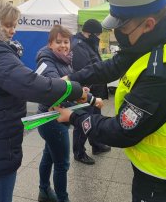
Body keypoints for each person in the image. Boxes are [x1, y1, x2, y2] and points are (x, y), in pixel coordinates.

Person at [55, 0, 166, 201]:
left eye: (122, 26)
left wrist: (74, 117)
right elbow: (113, 66)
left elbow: (122, 131)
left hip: (163, 171)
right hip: (154, 156)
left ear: (149, 23)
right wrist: (71, 79)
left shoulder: (164, 74)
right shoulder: (156, 37)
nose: (117, 34)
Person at [0, 0, 87, 202]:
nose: (13, 30)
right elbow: (31, 84)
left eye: (14, 25)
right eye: (8, 25)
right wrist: (74, 89)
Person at [36, 25, 103, 202]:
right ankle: (62, 199)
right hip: (52, 119)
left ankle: (43, 191)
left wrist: (80, 90)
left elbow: (69, 86)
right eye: (58, 42)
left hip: (56, 118)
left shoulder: (64, 59)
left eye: (66, 41)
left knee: (49, 156)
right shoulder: (46, 61)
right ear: (50, 44)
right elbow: (57, 86)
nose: (63, 45)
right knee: (62, 164)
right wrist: (88, 97)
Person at [71, 19, 110, 165]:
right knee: (83, 122)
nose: (99, 37)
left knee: (95, 120)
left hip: (95, 92)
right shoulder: (79, 46)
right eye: (98, 34)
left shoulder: (89, 44)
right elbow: (84, 72)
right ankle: (79, 153)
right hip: (86, 93)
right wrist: (86, 96)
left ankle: (97, 145)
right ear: (90, 33)